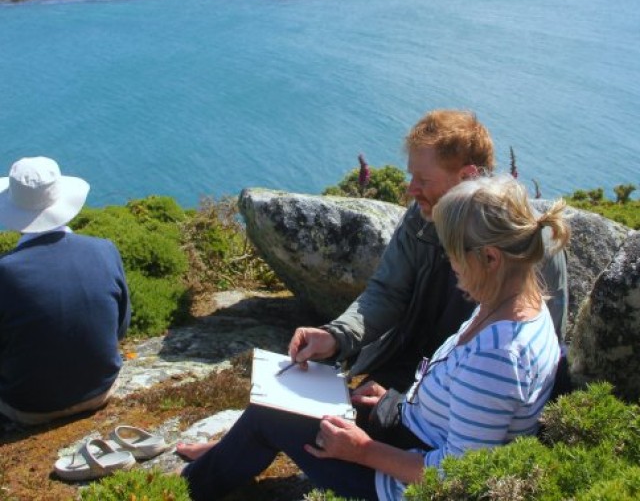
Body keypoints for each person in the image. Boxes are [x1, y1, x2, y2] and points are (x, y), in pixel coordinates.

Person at [181, 175, 568, 500]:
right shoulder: (511, 305)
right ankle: (225, 457)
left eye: (452, 253)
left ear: (490, 259)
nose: (450, 264)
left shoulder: (500, 354)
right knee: (296, 403)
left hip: (398, 487)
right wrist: (395, 404)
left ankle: (187, 488)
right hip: (411, 435)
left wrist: (362, 450)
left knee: (272, 412)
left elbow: (460, 477)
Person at [288, 109, 567, 392]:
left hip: (469, 392)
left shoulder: (528, 243)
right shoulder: (421, 220)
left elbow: (536, 353)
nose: (411, 189)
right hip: (410, 369)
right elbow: (388, 291)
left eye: (423, 180)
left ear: (467, 175)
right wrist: (337, 335)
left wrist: (401, 407)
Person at [0, 156, 131, 425]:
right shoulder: (105, 250)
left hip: (27, 407)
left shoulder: (5, 272)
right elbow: (121, 327)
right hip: (100, 390)